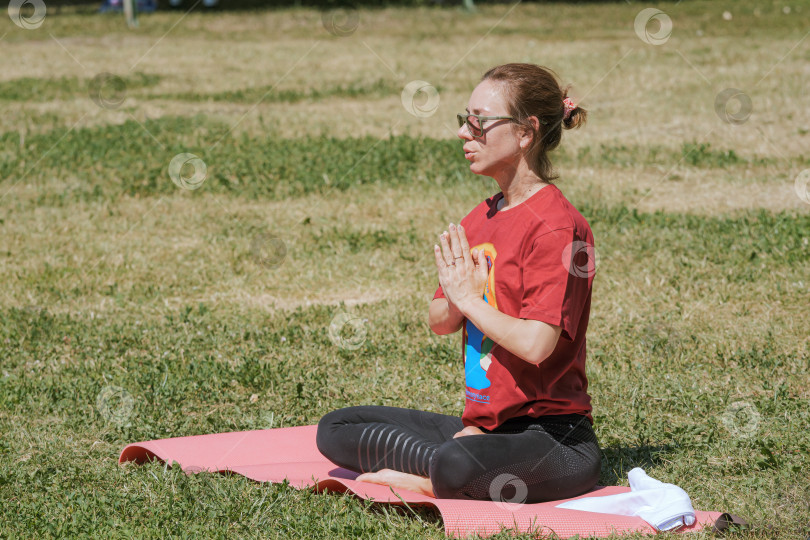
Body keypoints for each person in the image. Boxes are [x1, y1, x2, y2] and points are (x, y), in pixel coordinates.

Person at [316, 63, 600, 504]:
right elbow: (439, 320)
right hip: (484, 427)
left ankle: (441, 471)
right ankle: (456, 457)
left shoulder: (557, 228)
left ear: (526, 133)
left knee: (456, 462)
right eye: (464, 120)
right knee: (335, 429)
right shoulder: (481, 217)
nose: (465, 133)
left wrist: (469, 298)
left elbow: (537, 345)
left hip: (553, 439)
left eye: (480, 122)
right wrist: (457, 301)